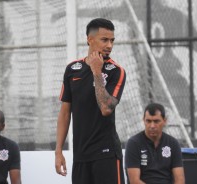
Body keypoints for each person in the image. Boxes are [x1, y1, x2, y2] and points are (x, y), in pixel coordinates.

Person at [55, 18, 126, 184]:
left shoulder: (117, 71)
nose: (109, 45)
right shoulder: (72, 70)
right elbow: (65, 113)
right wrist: (58, 151)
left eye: (112, 40)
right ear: (89, 39)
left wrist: (96, 72)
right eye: (104, 40)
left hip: (107, 154)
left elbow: (106, 108)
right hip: (80, 156)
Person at [125, 103, 185, 184]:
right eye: (148, 121)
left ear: (165, 121)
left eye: (156, 121)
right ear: (143, 120)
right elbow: (134, 181)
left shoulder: (173, 143)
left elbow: (180, 180)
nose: (152, 126)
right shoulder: (133, 143)